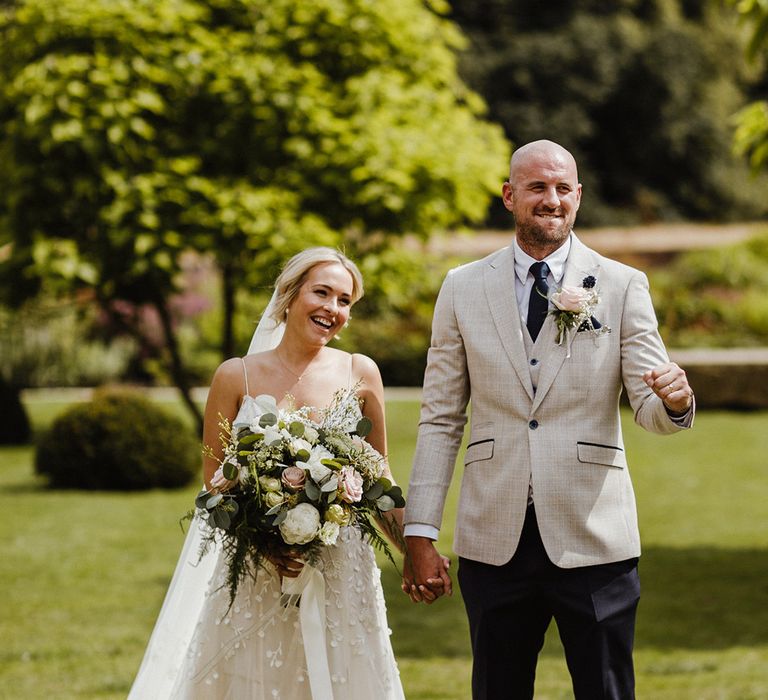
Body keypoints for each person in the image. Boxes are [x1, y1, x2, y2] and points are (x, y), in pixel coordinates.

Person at [402, 140, 695, 699]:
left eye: (563, 188)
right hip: (494, 538)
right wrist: (421, 532)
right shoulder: (461, 288)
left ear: (578, 197)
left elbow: (651, 409)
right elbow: (440, 419)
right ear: (510, 196)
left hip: (594, 534)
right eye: (537, 187)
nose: (551, 199)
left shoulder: (622, 285)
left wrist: (676, 402)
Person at [129, 247, 406, 699]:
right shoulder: (235, 376)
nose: (332, 309)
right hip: (257, 569)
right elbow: (214, 485)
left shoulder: (361, 372)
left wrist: (413, 553)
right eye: (322, 293)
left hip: (342, 568)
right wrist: (266, 542)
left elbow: (379, 479)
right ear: (291, 294)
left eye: (344, 301)